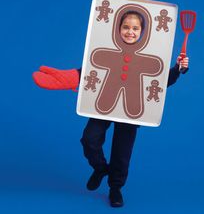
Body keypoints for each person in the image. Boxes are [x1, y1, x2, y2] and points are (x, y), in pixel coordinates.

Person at [33, 11, 189, 208]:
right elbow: (92, 70)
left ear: (142, 32)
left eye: (135, 28)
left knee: (122, 152)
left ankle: (115, 188)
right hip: (103, 103)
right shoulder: (104, 50)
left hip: (132, 109)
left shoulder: (149, 58)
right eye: (126, 27)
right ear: (118, 28)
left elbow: (161, 81)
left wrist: (177, 68)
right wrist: (69, 77)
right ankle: (100, 168)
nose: (130, 32)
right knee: (90, 139)